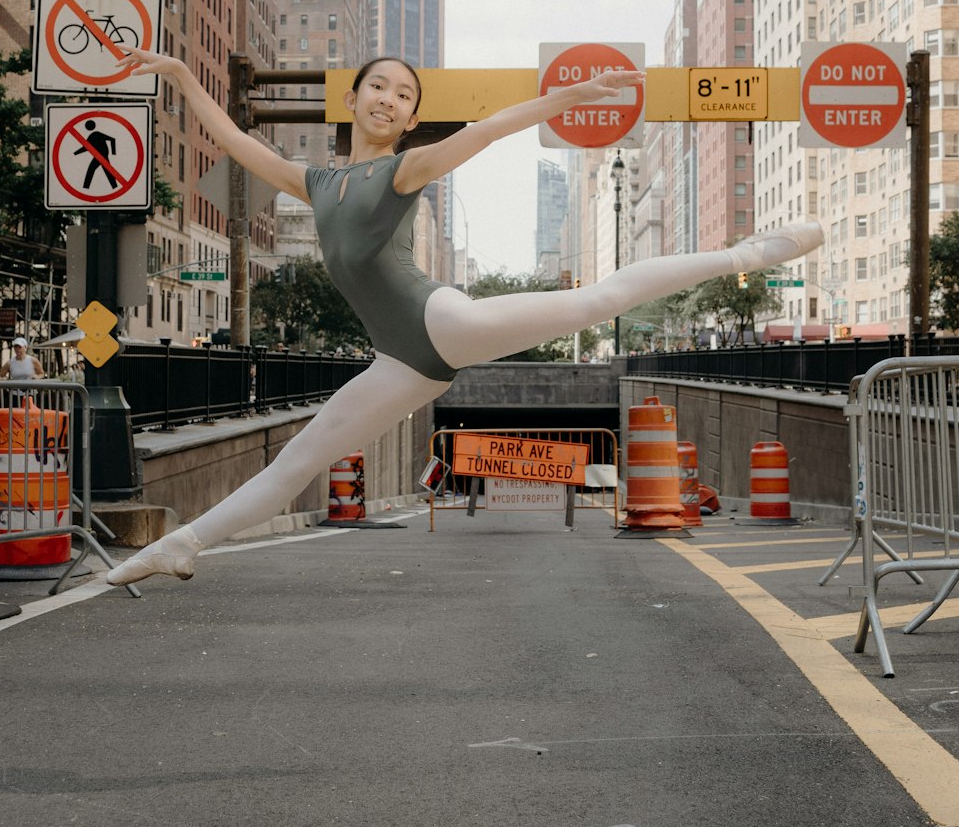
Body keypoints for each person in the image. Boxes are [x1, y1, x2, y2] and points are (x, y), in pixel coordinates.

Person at [107, 50, 823, 586]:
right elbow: (235, 141)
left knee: (597, 300)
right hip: (398, 358)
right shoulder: (317, 182)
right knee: (302, 458)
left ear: (412, 119)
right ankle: (185, 543)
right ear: (352, 100)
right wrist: (176, 71)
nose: (389, 99)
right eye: (378, 87)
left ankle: (742, 254)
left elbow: (484, 132)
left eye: (404, 94)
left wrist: (561, 98)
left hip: (436, 319)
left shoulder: (402, 170)